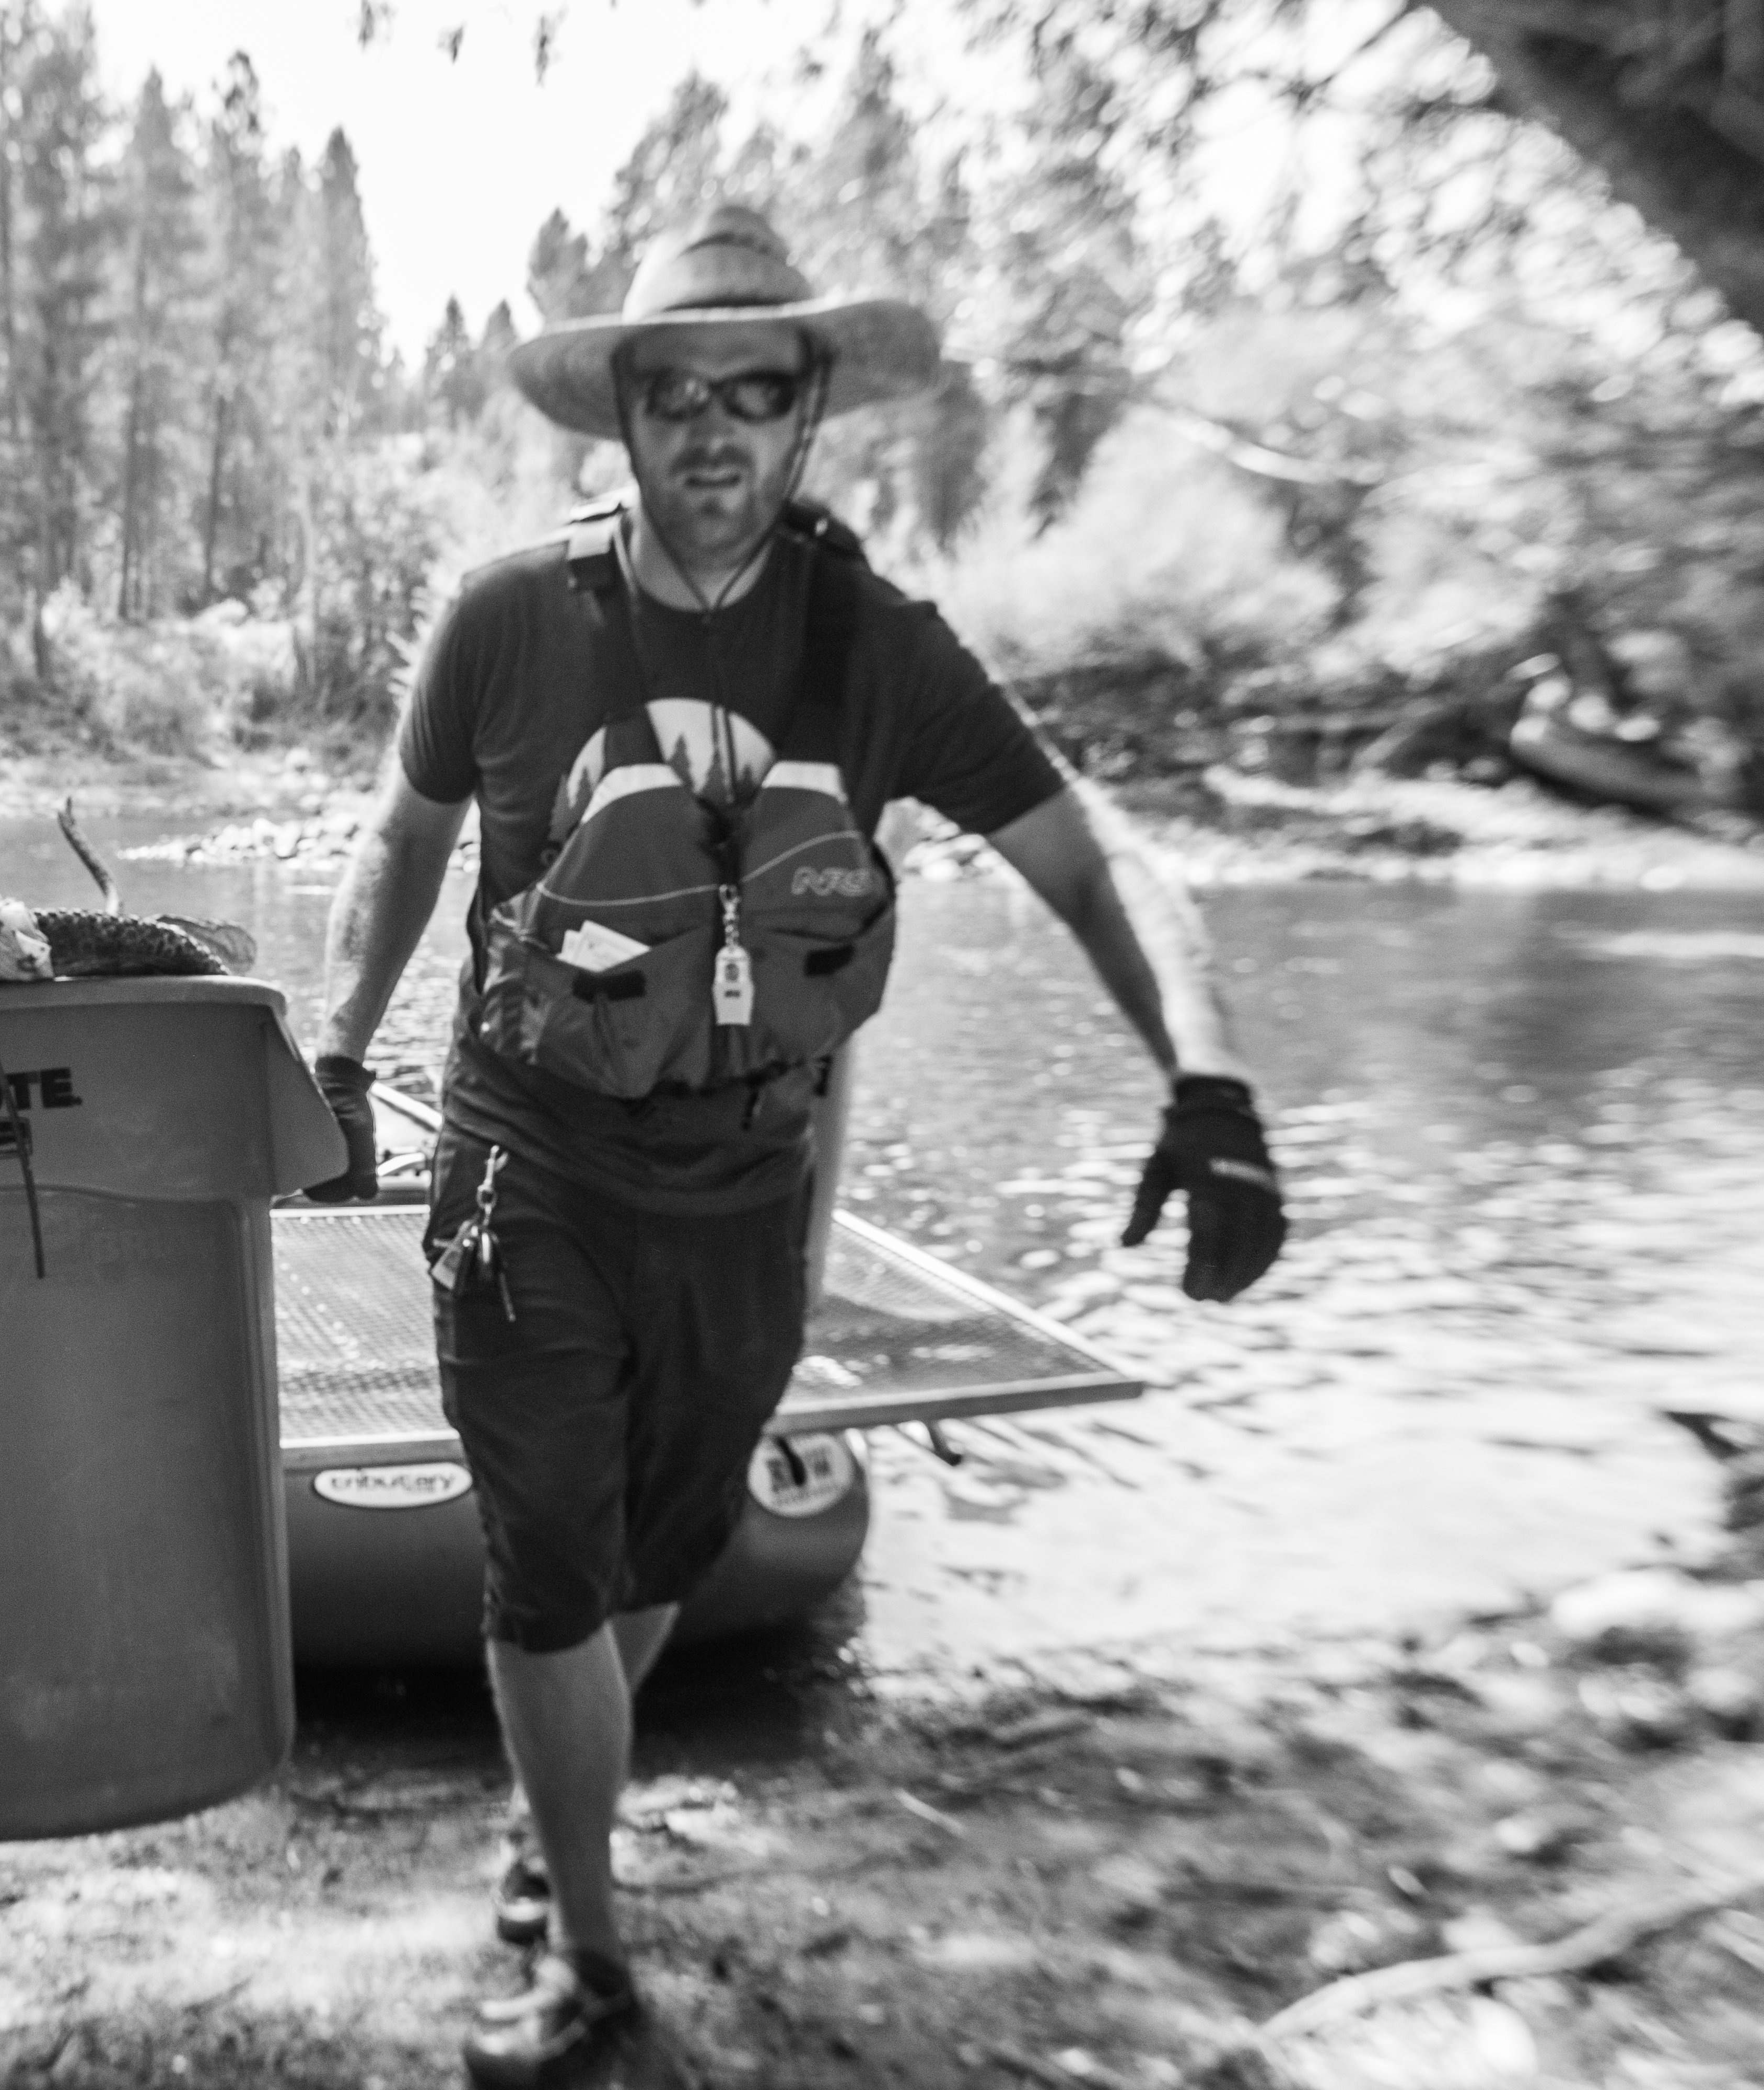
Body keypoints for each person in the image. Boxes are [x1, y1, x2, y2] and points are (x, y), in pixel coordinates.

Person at [305, 204, 1288, 2088]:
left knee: (667, 1547)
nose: (714, 430)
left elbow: (1099, 865)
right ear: (626, 412)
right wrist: (342, 1043)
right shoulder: (509, 619)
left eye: (758, 392)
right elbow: (401, 837)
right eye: (676, 392)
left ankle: (547, 1830)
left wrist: (1210, 1079)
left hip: (750, 1191)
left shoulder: (883, 657)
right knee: (541, 1568)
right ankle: (591, 1952)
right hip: (532, 1167)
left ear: (811, 410)